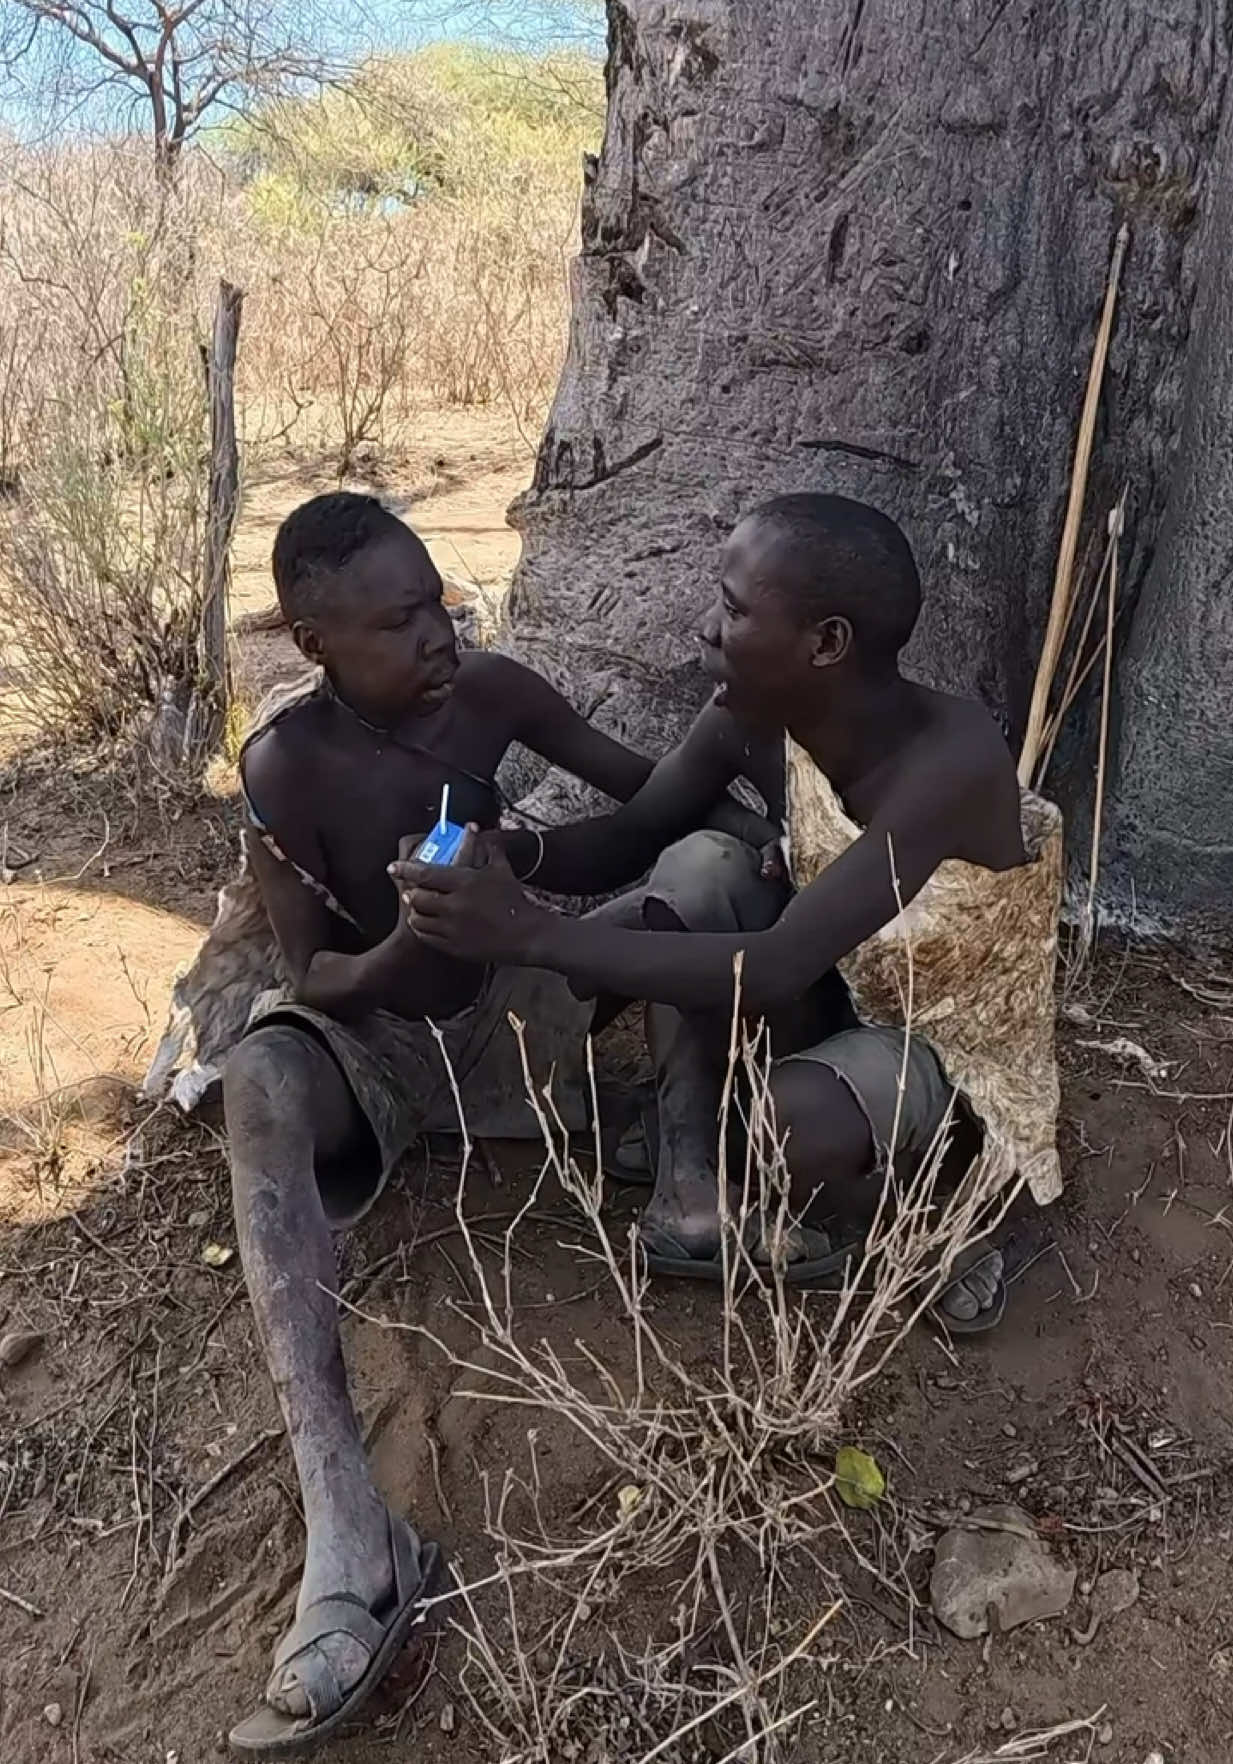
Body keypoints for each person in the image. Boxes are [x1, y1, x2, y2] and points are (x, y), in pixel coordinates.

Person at [224, 492, 779, 1755]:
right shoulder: (286, 766)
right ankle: (346, 1533)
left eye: (440, 602)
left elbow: (642, 817)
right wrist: (402, 943)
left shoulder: (496, 694)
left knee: (700, 889)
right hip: (378, 1050)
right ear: (315, 642)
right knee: (260, 1078)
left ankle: (690, 1195)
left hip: (515, 1027)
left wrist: (524, 870)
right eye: (400, 620)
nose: (439, 634)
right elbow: (309, 974)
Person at [396, 491, 1063, 1312]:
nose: (705, 629)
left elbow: (778, 967)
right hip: (838, 981)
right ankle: (690, 1163)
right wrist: (512, 853)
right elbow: (630, 837)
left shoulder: (950, 759)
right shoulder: (748, 718)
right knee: (701, 863)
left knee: (791, 1127)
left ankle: (924, 1217)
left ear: (826, 643)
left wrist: (533, 935)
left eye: (733, 609)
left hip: (943, 1040)